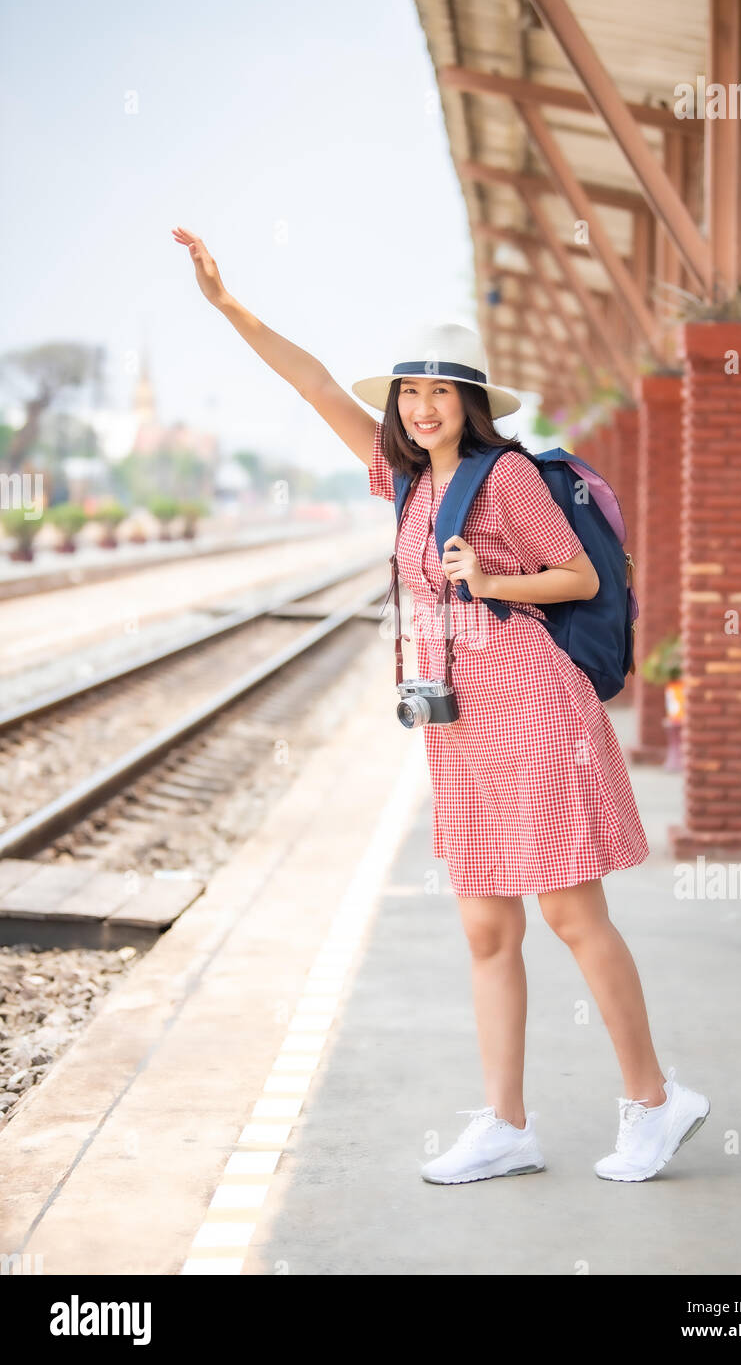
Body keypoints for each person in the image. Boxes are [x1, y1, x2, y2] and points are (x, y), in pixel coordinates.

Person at [173, 226, 710, 1186]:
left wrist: (495, 583)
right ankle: (507, 1126)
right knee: (485, 929)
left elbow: (580, 574)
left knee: (571, 915)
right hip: (461, 725)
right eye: (408, 392)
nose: (421, 408)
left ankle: (657, 1102)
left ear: (471, 400)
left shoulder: (503, 476)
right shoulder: (406, 482)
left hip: (537, 711)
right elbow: (315, 384)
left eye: (439, 391)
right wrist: (227, 305)